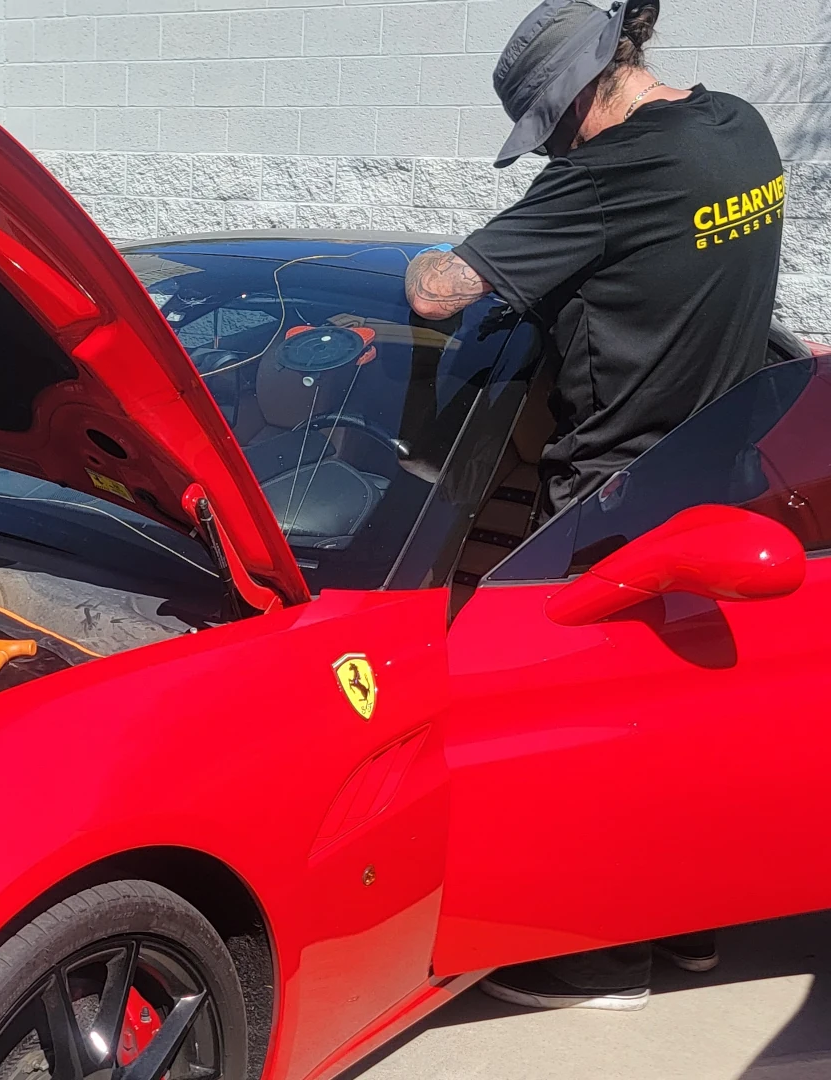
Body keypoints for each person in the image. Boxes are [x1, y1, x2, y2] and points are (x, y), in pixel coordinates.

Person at [404, 0, 785, 1010]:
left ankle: (598, 958)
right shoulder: (740, 131)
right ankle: (692, 927)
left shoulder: (608, 173)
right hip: (724, 478)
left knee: (587, 736)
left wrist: (416, 261)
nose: (550, 154)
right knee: (684, 724)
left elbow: (442, 292)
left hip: (609, 499)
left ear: (578, 100)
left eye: (547, 132)